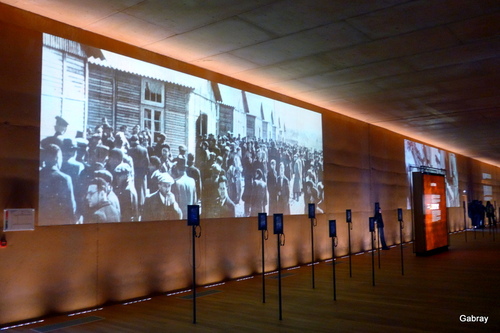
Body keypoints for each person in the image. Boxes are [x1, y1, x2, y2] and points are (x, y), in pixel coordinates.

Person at [39, 144, 76, 225]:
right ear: (57, 158)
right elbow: (71, 206)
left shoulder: (38, 176)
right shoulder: (65, 178)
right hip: (59, 223)